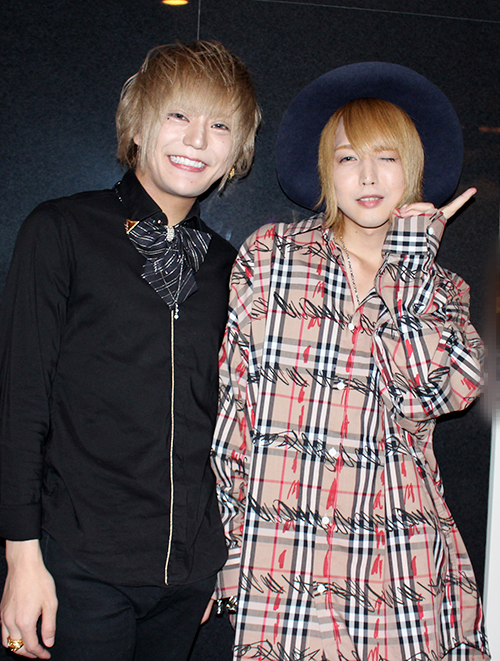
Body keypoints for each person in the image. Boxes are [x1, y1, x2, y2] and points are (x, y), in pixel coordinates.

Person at [212, 63, 489, 660]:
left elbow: (431, 396)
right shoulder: (271, 256)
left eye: (386, 157)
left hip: (402, 560)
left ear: (411, 167)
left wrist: (409, 267)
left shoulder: (443, 289)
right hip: (285, 557)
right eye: (347, 158)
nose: (367, 176)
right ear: (325, 170)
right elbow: (234, 412)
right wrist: (232, 546)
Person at [0, 39, 261, 660]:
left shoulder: (233, 268)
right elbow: (20, 404)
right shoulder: (61, 230)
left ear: (236, 153)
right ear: (138, 126)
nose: (197, 139)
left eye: (220, 125)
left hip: (188, 578)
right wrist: (21, 559)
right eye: (179, 114)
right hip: (78, 566)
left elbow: (232, 420)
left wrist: (216, 560)